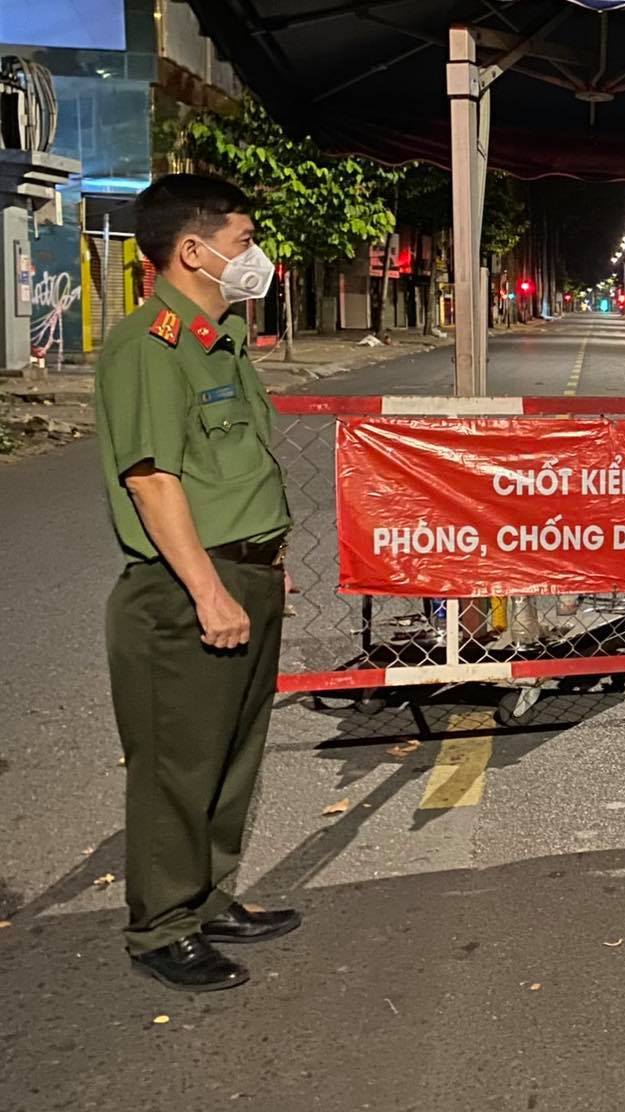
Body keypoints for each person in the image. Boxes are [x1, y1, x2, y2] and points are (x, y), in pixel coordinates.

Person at [97, 174, 298, 992]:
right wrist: (210, 591)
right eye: (243, 241)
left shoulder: (223, 339)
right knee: (176, 766)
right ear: (193, 250)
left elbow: (236, 466)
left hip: (242, 573)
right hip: (186, 588)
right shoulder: (152, 345)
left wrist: (265, 569)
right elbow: (152, 481)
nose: (254, 258)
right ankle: (161, 929)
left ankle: (210, 897)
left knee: (230, 756)